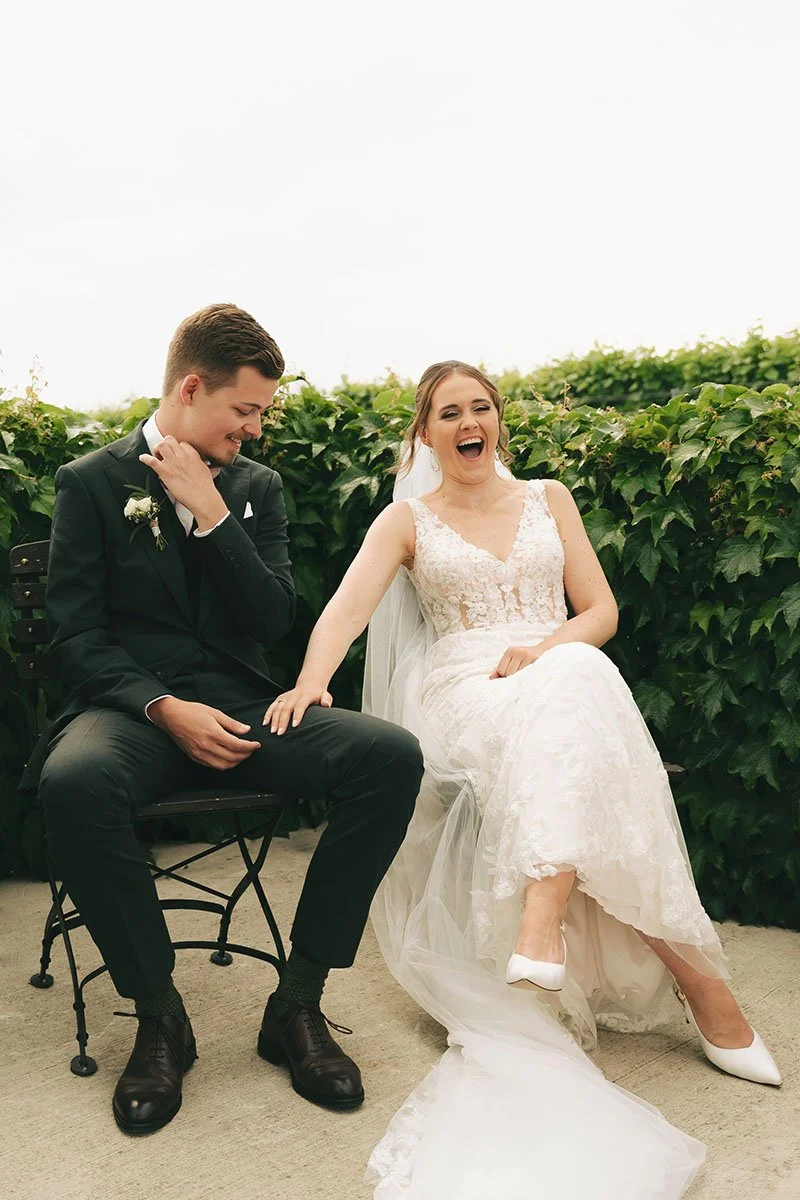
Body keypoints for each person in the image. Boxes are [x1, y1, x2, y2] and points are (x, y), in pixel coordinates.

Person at [266, 361, 781, 1199]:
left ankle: (541, 922)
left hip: (552, 672)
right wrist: (312, 679)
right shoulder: (407, 519)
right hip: (465, 691)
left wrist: (546, 650)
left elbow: (600, 612)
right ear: (425, 435)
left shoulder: (551, 498)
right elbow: (343, 612)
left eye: (480, 408)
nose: (467, 422)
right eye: (447, 413)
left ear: (497, 422)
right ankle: (702, 986)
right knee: (583, 698)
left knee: (576, 680)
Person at [28, 304, 424, 1136]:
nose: (254, 427)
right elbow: (74, 638)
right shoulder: (90, 482)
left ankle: (298, 1003)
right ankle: (161, 1015)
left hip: (246, 712)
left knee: (388, 756)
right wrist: (163, 708)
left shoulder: (255, 489)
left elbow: (274, 618)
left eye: (262, 414)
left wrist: (209, 513)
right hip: (132, 713)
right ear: (191, 387)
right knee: (72, 781)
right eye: (244, 410)